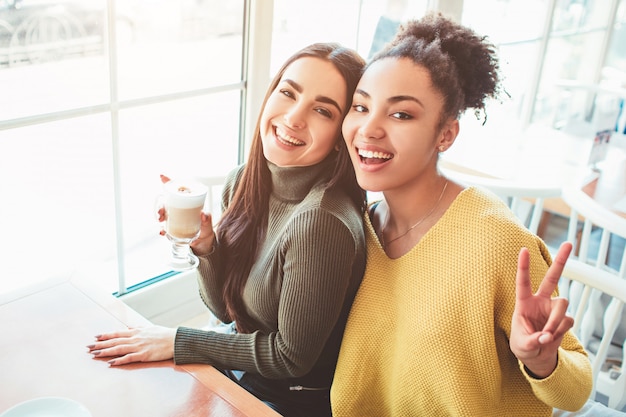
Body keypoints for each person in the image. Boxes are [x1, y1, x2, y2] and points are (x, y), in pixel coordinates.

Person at [330, 12, 593, 416]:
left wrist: (543, 362)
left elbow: (575, 393)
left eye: (401, 114)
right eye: (361, 107)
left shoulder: (495, 239)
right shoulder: (357, 226)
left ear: (446, 134)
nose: (369, 129)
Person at [87, 42, 367, 417]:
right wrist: (206, 247)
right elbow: (226, 310)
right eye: (288, 92)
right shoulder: (245, 181)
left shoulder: (322, 222)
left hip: (286, 400)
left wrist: (178, 340)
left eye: (322, 110)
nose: (294, 118)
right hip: (243, 376)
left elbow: (290, 358)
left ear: (342, 135)